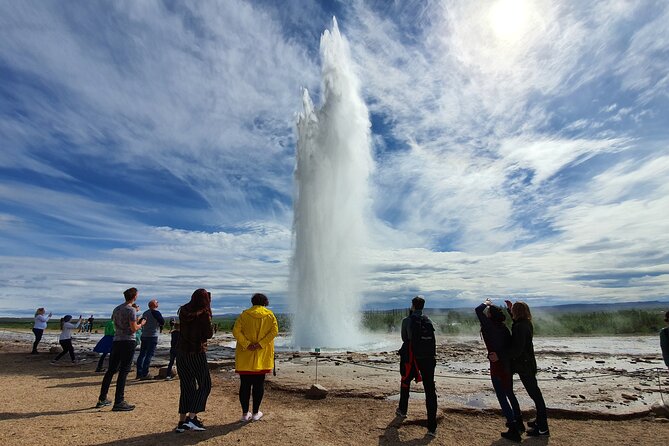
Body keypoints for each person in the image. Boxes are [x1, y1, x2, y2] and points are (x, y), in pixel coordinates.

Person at [476, 299, 523, 442]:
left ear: (490, 315)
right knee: (510, 394)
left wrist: (486, 302)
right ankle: (519, 423)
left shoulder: (489, 326)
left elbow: (478, 310)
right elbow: (509, 345)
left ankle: (513, 428)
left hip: (497, 366)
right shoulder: (503, 327)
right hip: (507, 365)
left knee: (502, 397)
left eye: (488, 312)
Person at [96, 287, 146, 411]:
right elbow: (133, 328)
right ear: (134, 296)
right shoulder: (131, 310)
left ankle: (102, 398)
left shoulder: (117, 309)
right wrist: (141, 324)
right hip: (128, 340)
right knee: (124, 370)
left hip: (117, 340)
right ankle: (119, 401)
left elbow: (114, 321)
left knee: (111, 370)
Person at [504, 299, 549, 437]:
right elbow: (517, 325)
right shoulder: (525, 323)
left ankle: (543, 428)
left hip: (525, 366)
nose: (511, 312)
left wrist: (502, 354)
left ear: (517, 312)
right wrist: (509, 309)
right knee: (536, 395)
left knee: (536, 395)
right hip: (528, 364)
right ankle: (539, 421)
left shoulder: (520, 327)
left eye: (513, 310)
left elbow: (517, 349)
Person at [232, 293, 278, 423]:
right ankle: (256, 413)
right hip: (262, 356)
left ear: (252, 302)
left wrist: (247, 344)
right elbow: (274, 331)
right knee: (259, 384)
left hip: (245, 356)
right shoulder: (269, 315)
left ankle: (245, 414)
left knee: (244, 385)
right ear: (265, 302)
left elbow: (236, 331)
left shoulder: (244, 315)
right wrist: (261, 344)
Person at [396, 296, 438, 437]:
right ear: (423, 306)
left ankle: (403, 410)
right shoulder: (428, 320)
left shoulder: (407, 321)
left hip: (412, 357)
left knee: (405, 381)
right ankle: (432, 427)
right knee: (430, 389)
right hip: (428, 359)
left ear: (413, 305)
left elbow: (404, 338)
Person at [174, 289, 214, 433]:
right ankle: (192, 418)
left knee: (187, 386)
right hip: (196, 351)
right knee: (205, 384)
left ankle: (182, 422)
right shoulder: (203, 313)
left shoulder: (183, 310)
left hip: (181, 352)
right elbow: (209, 334)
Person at [136, 299, 165, 380]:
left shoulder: (145, 312)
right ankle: (145, 373)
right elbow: (162, 322)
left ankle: (139, 373)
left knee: (142, 354)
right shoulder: (156, 312)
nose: (158, 303)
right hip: (152, 335)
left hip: (144, 335)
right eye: (157, 302)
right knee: (149, 355)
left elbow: (142, 321)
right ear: (154, 305)